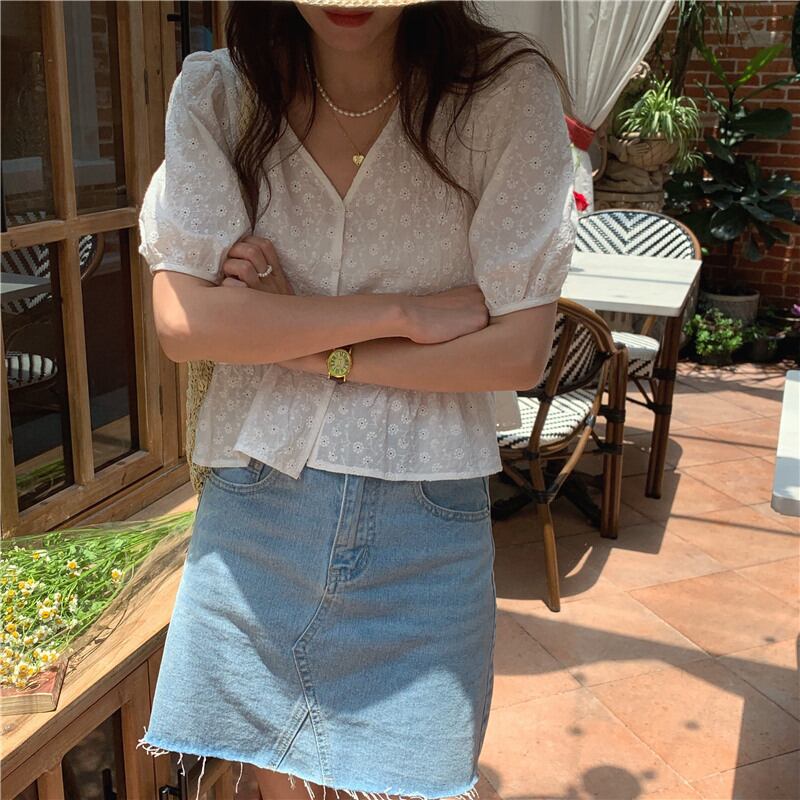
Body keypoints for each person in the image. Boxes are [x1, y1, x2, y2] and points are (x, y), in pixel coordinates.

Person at [135, 2, 578, 799]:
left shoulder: (504, 95)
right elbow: (184, 324)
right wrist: (403, 314)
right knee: (275, 787)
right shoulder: (221, 95)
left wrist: (296, 342)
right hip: (257, 506)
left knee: (416, 776)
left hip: (425, 519)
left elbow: (515, 351)